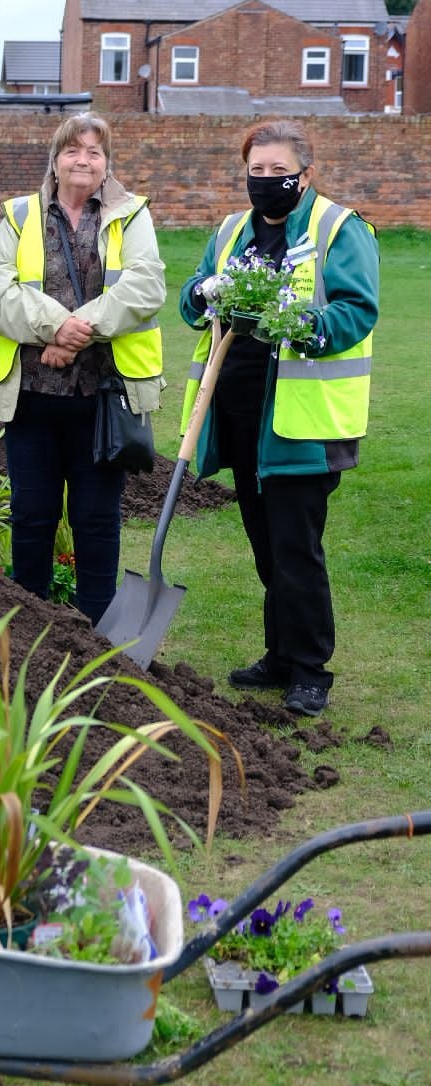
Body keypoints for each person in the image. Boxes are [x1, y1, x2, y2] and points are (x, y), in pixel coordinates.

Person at [180, 118, 379, 717]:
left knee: (296, 548)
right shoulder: (231, 230)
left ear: (305, 174)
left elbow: (355, 310)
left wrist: (302, 327)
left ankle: (311, 669)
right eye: (256, 170)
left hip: (301, 419)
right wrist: (204, 292)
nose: (266, 181)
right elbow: (193, 297)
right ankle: (280, 655)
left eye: (278, 171)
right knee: (266, 545)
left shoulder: (338, 229)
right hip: (240, 414)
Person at [0, 112, 165, 624]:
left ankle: (95, 629)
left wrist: (77, 332)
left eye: (95, 152)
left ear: (107, 165)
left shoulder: (132, 215)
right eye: (73, 150)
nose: (84, 160)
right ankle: (30, 622)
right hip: (32, 397)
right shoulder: (18, 216)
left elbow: (145, 288)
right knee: (32, 517)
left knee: (97, 519)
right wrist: (55, 328)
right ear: (55, 161)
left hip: (102, 396)